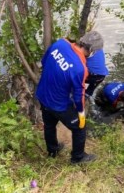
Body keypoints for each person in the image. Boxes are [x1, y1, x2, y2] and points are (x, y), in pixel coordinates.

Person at [35, 31, 104, 164]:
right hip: (58, 104)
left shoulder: (60, 43)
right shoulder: (80, 69)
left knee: (49, 125)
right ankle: (78, 157)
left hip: (43, 94)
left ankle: (52, 150)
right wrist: (81, 112)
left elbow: (44, 62)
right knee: (79, 128)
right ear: (91, 51)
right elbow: (78, 97)